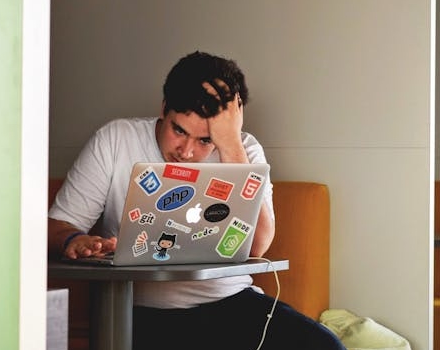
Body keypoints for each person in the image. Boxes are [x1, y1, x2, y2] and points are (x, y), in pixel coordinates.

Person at [48, 51, 345, 350]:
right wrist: (73, 239)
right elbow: (57, 226)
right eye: (179, 130)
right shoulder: (115, 139)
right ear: (164, 108)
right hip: (138, 313)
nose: (186, 152)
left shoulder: (244, 150)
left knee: (326, 347)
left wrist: (230, 144)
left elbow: (257, 246)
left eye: (205, 140)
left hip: (230, 302)